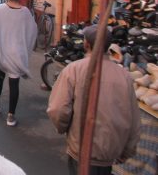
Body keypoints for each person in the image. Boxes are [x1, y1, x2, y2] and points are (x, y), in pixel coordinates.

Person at [47, 24, 140, 174]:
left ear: (86, 44)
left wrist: (63, 129)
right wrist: (127, 151)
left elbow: (57, 109)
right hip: (108, 153)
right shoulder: (124, 76)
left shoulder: (73, 70)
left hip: (80, 150)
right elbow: (134, 120)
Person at [0, 0, 37, 127]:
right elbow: (33, 31)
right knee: (14, 84)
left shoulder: (0, 9)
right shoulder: (26, 12)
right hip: (18, 54)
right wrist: (26, 48)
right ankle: (11, 116)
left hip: (2, 52)